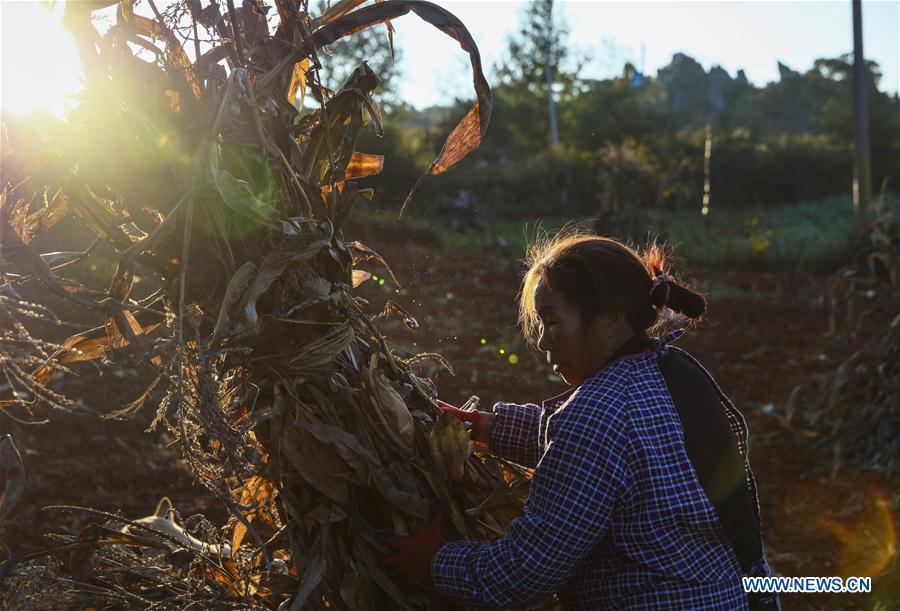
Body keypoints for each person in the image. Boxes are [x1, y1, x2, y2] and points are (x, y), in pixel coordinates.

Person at [385, 233, 780, 610]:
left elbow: (523, 574)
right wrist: (488, 427)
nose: (542, 341)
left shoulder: (597, 414)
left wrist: (433, 562)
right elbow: (601, 452)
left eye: (552, 321)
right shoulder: (672, 371)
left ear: (610, 318)